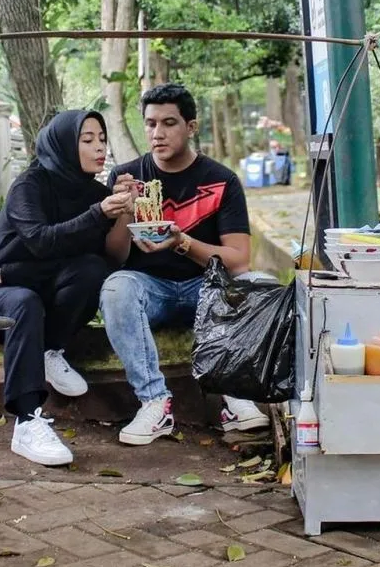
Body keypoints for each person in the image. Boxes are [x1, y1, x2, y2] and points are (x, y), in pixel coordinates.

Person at [100, 83, 270, 445]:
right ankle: (155, 402)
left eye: (169, 123)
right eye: (150, 124)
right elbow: (114, 258)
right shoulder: (127, 177)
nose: (157, 133)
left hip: (204, 289)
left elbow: (239, 258)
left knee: (257, 282)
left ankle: (234, 397)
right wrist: (123, 211)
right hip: (149, 289)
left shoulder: (221, 180)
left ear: (191, 127)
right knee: (116, 288)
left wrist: (182, 243)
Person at [0, 109, 134, 466]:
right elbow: (40, 241)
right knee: (25, 302)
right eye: (88, 140)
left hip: (31, 284)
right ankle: (26, 422)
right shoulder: (30, 186)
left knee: (93, 269)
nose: (99, 148)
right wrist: (98, 213)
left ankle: (50, 349)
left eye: (102, 139)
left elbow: (112, 258)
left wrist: (125, 211)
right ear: (64, 144)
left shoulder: (95, 194)